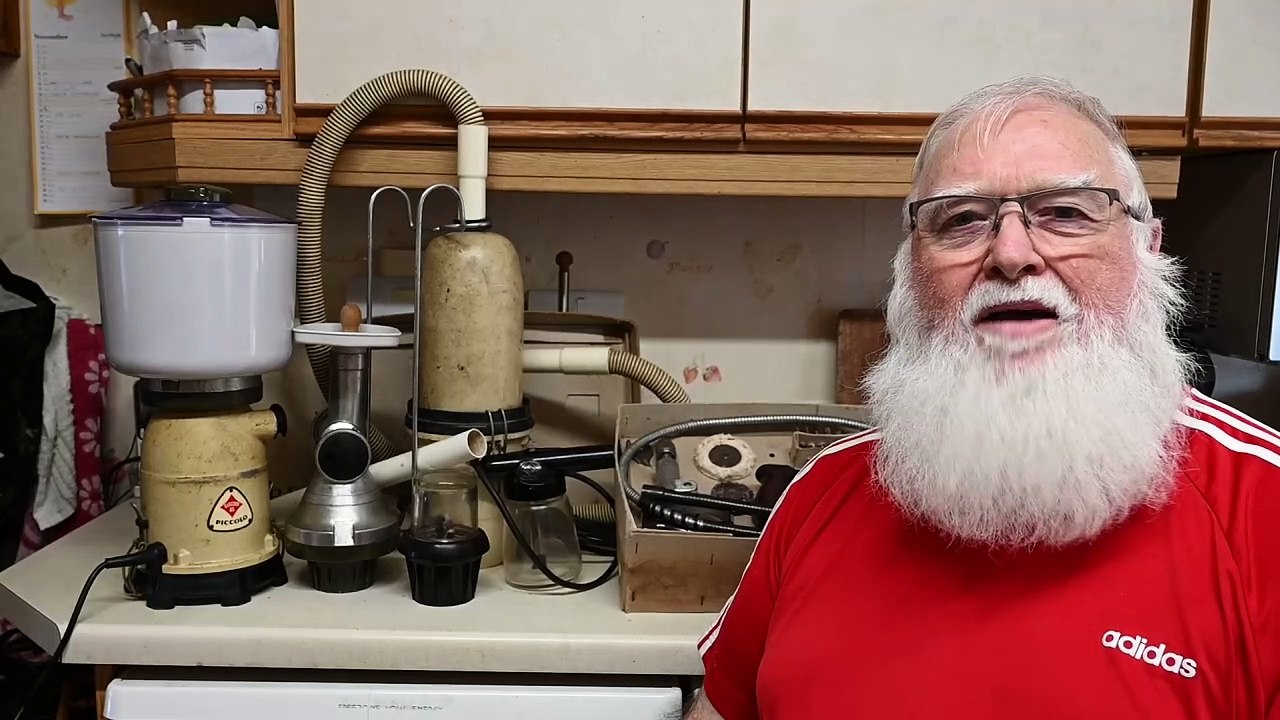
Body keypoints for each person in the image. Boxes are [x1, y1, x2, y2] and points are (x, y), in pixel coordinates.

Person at [687, 75, 1280, 719]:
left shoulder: (1261, 510)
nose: (1012, 253)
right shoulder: (819, 492)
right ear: (910, 269)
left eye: (1068, 212)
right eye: (962, 221)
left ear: (1148, 249)